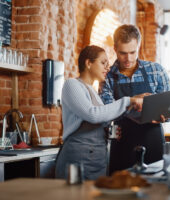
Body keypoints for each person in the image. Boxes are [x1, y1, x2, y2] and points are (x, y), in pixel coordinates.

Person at [55, 45, 145, 180]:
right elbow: (93, 114)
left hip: (97, 160)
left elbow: (98, 119)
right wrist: (127, 101)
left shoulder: (94, 92)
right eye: (103, 63)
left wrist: (108, 131)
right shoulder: (71, 85)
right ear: (88, 63)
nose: (107, 68)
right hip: (77, 159)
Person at [100, 24, 170, 174]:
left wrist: (166, 114)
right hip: (123, 144)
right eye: (123, 53)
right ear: (115, 49)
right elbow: (106, 111)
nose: (128, 59)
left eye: (133, 52)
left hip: (153, 141)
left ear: (138, 45)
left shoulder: (157, 71)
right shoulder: (107, 77)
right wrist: (133, 103)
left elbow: (167, 110)